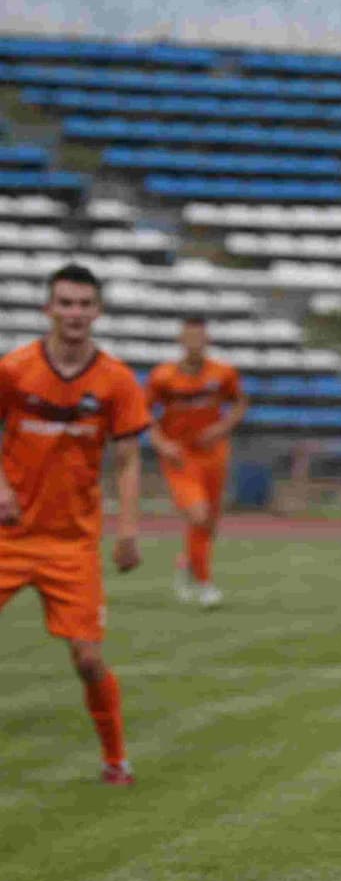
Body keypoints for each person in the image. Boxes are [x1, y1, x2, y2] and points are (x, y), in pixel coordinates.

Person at [0, 263, 149, 784]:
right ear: (48, 308)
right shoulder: (15, 369)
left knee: (87, 659)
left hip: (73, 543)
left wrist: (128, 529)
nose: (75, 313)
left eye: (85, 304)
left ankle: (115, 759)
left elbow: (129, 460)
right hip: (9, 536)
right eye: (65, 303)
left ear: (98, 311)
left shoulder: (116, 380)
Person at [146, 317, 247, 607]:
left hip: (214, 455)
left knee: (209, 524)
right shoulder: (163, 377)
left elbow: (240, 403)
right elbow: (142, 413)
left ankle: (185, 565)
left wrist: (221, 427)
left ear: (207, 341)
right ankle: (205, 585)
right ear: (181, 341)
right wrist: (163, 444)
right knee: (199, 516)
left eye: (199, 338)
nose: (194, 344)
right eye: (189, 338)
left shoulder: (223, 373)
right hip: (180, 456)